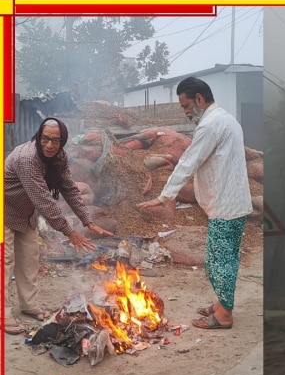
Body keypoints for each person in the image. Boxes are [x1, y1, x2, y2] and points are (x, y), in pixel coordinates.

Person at [137, 77, 252, 330]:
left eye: (186, 105)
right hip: (229, 202)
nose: (186, 111)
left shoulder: (211, 125)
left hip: (226, 206)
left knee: (218, 261)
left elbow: (188, 162)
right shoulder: (225, 118)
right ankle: (223, 305)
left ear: (199, 99)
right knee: (222, 259)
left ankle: (224, 316)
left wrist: (164, 196)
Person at [4, 117, 114, 335]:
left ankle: (28, 305)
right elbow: (43, 200)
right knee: (5, 262)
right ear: (38, 137)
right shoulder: (28, 158)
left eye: (55, 140)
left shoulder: (59, 157)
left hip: (24, 214)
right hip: (4, 211)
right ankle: (3, 314)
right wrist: (70, 232)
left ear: (62, 141)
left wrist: (87, 221)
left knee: (29, 261)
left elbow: (69, 188)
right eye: (45, 139)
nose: (49, 145)